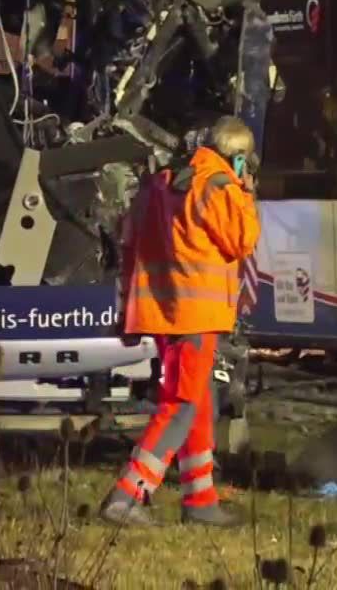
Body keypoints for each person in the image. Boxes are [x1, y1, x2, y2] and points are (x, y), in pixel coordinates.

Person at [99, 115, 261, 527]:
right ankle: (128, 495)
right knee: (183, 404)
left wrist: (125, 308)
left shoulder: (161, 181)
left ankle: (200, 499)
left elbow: (129, 239)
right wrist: (245, 193)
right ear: (237, 157)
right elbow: (243, 240)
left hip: (162, 311)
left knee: (199, 400)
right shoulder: (219, 186)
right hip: (196, 314)